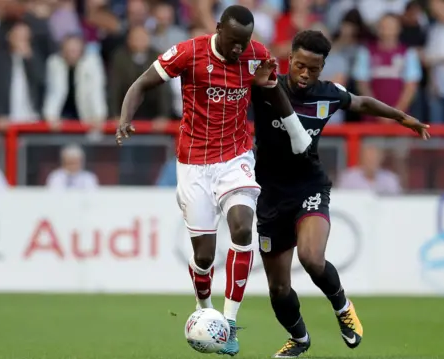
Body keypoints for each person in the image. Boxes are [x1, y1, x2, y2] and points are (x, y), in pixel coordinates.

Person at [114, 5, 313, 356]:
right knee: (203, 256)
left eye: (245, 42)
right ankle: (204, 307)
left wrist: (296, 132)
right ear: (218, 28)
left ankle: (230, 322)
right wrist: (125, 118)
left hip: (235, 157)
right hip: (193, 163)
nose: (240, 49)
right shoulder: (189, 52)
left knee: (241, 228)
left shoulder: (257, 54)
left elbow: (272, 90)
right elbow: (143, 82)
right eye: (234, 41)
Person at [251, 30, 429, 358]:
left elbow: (361, 102)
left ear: (323, 68)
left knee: (310, 257)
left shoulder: (328, 94)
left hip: (310, 187)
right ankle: (300, 338)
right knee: (278, 288)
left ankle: (343, 307)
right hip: (270, 196)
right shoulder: (264, 88)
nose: (306, 74)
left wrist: (402, 118)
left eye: (314, 69)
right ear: (290, 59)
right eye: (300, 65)